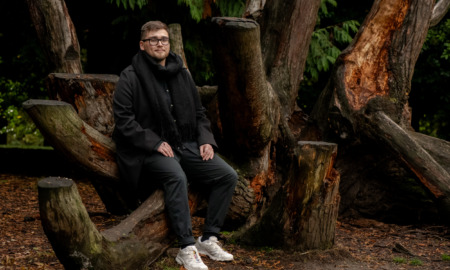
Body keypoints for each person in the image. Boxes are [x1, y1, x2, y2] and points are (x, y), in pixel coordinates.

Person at [112, 20, 238, 270]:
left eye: (164, 39)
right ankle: (186, 247)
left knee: (227, 175)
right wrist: (155, 142)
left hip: (184, 143)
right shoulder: (130, 76)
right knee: (176, 177)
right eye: (154, 39)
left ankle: (208, 238)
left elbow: (200, 113)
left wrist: (205, 140)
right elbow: (124, 122)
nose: (160, 43)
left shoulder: (181, 73)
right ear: (142, 45)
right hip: (147, 149)